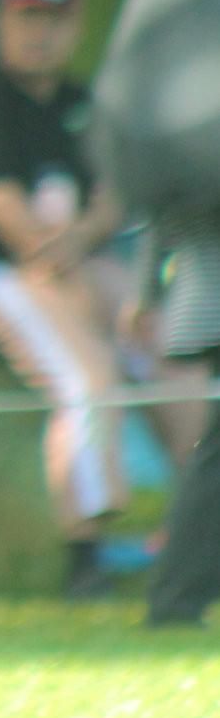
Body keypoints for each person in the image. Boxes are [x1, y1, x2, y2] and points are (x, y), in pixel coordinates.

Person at [0, 0, 127, 600]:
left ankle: (196, 532)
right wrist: (60, 256)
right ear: (4, 24)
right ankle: (88, 555)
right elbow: (0, 206)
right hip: (4, 277)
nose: (39, 34)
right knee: (88, 379)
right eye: (27, 19)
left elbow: (113, 198)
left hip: (79, 262)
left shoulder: (84, 105)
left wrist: (80, 244)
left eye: (52, 20)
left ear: (74, 25)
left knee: (176, 351)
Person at [128, 206, 220, 626]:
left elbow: (160, 211)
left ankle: (177, 595)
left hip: (203, 302)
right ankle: (176, 597)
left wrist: (143, 292)